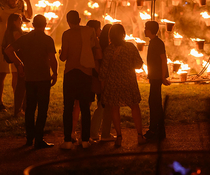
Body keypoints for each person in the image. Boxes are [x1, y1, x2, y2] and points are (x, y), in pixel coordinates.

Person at [5, 15, 57, 149]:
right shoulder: (47, 40)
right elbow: (52, 59)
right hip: (43, 78)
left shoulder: (25, 38)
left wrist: (19, 64)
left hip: (29, 78)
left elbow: (8, 50)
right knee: (42, 109)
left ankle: (29, 138)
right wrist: (55, 73)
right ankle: (38, 139)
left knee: (30, 109)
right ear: (45, 25)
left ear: (33, 24)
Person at [59, 11, 101, 149]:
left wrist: (61, 54)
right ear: (80, 19)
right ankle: (85, 140)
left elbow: (64, 56)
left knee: (68, 107)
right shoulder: (89, 32)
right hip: (86, 73)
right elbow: (96, 50)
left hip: (71, 72)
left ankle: (67, 140)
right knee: (85, 107)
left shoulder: (67, 34)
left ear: (68, 21)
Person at [100, 24, 146, 147]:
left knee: (115, 108)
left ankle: (119, 136)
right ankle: (140, 135)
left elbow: (103, 70)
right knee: (135, 107)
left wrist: (103, 86)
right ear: (123, 34)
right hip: (128, 81)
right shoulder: (130, 47)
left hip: (113, 83)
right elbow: (138, 64)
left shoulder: (109, 50)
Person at [144, 21, 171, 142]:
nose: (144, 30)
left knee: (155, 103)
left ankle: (156, 130)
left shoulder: (158, 43)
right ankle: (157, 130)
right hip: (154, 77)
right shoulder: (153, 42)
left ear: (149, 30)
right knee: (154, 102)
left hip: (157, 78)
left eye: (145, 28)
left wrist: (163, 77)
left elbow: (163, 59)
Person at [90, 24, 115, 142]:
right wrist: (102, 78)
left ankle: (99, 132)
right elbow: (98, 63)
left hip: (99, 78)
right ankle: (99, 133)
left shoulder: (100, 44)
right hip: (104, 79)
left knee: (102, 105)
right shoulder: (106, 47)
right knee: (103, 105)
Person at [2, 14, 25, 116]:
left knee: (18, 81)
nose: (21, 22)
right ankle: (19, 108)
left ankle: (18, 107)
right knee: (20, 83)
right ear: (14, 22)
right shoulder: (16, 33)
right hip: (19, 58)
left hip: (15, 59)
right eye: (19, 20)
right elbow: (21, 44)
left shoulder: (9, 32)